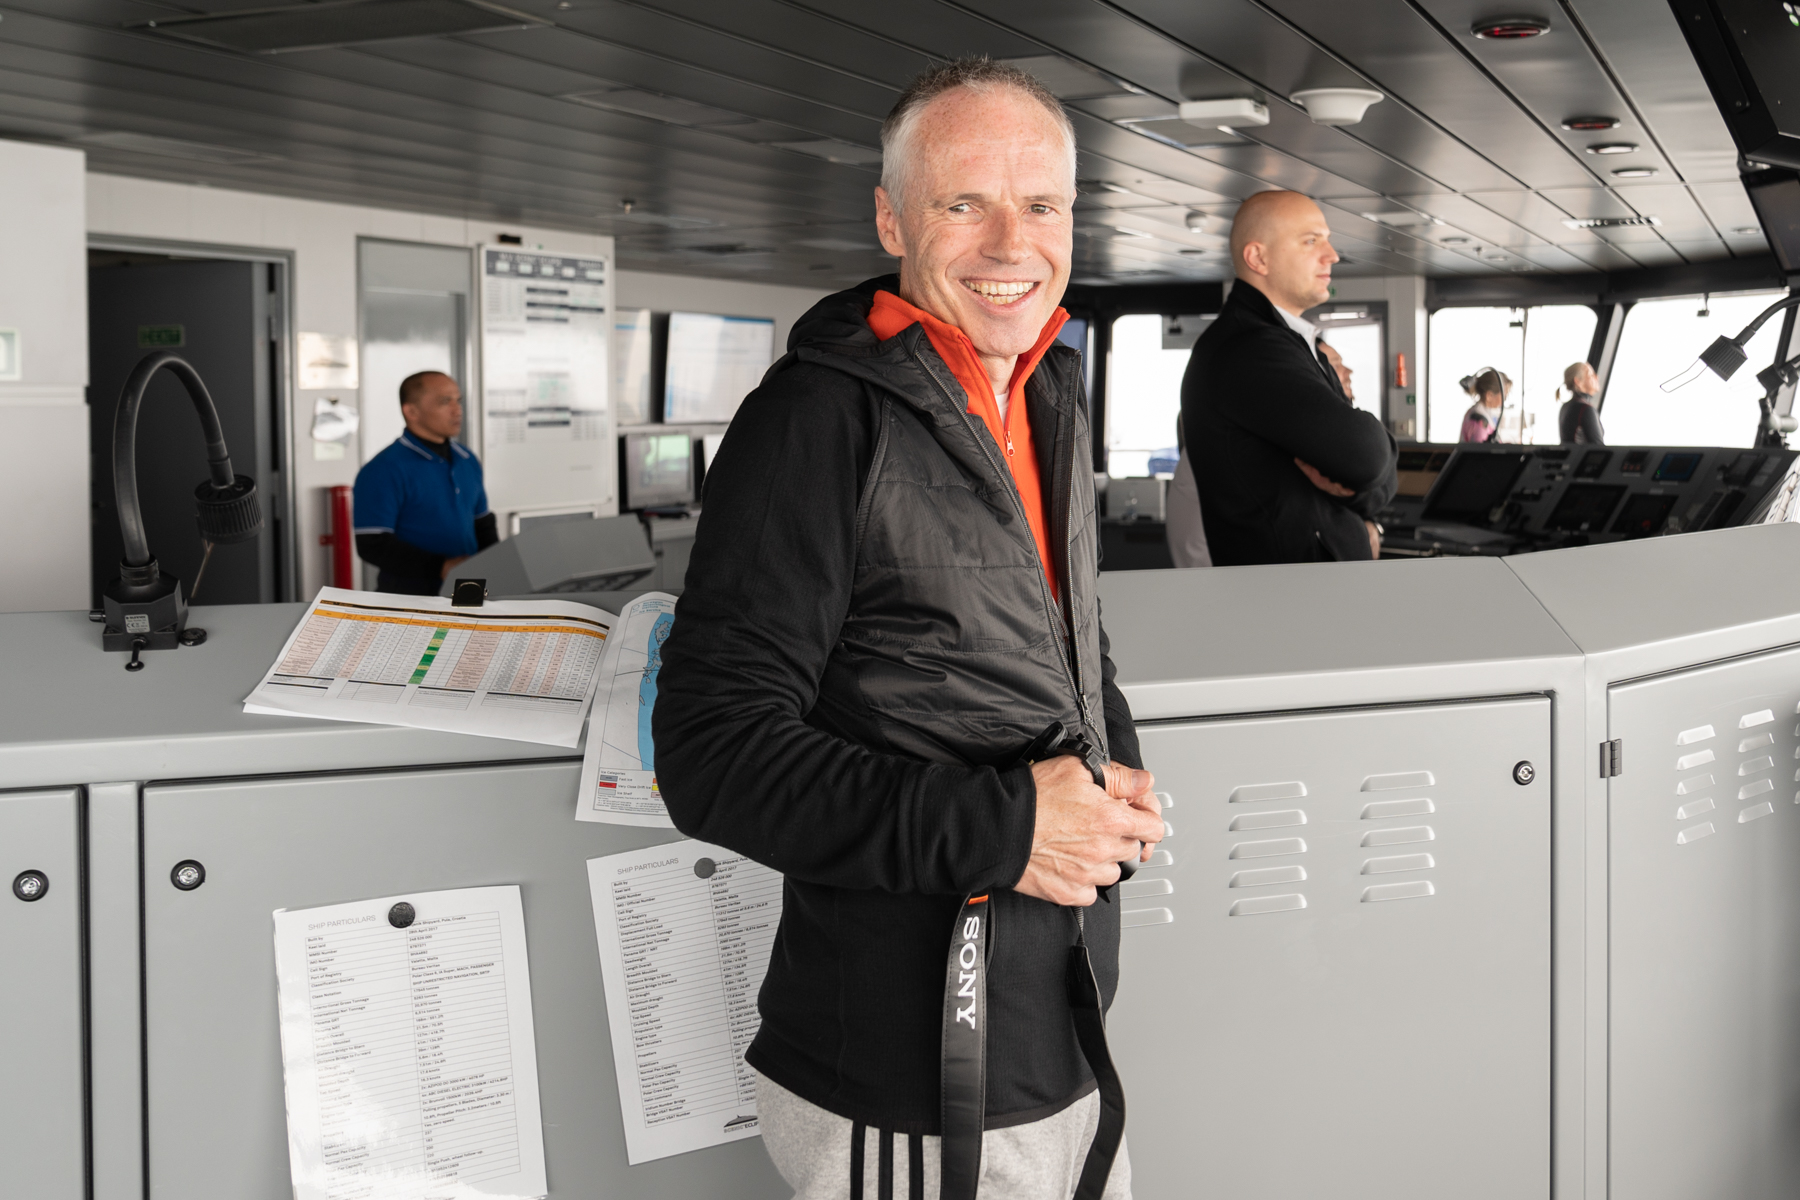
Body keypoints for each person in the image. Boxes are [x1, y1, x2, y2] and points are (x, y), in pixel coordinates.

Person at [653, 57, 1164, 1200]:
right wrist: (1010, 828)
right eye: (963, 203)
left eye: (1041, 206)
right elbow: (709, 755)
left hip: (1059, 1034)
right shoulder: (813, 422)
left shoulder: (1047, 389)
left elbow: (1069, 637)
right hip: (911, 1077)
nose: (1010, 243)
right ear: (891, 219)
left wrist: (1109, 781)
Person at [1181, 190, 1396, 565]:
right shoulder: (1249, 349)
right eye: (1311, 241)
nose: (1332, 255)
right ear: (1258, 258)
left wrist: (1356, 489)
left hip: (1314, 587)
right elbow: (1369, 456)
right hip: (1288, 593)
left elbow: (1380, 475)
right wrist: (1368, 470)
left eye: (1327, 240)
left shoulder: (1292, 343)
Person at [353, 371, 496, 595]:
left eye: (458, 401)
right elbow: (372, 543)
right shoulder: (383, 469)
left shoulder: (467, 459)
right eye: (445, 402)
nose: (457, 410)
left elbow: (483, 525)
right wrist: (441, 567)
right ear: (411, 412)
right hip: (409, 598)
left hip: (468, 590)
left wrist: (496, 569)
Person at [1558, 361, 1605, 444]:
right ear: (1578, 382)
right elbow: (1599, 448)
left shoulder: (1565, 407)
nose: (1596, 377)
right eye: (1591, 375)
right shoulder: (1585, 409)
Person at [1458, 369, 1510, 443]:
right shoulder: (1477, 420)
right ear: (1489, 396)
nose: (1504, 401)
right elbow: (1481, 449)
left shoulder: (1481, 413)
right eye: (1504, 396)